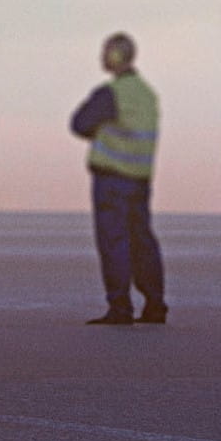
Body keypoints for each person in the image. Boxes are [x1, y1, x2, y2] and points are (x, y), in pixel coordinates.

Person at [67, 31, 165, 325]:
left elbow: (79, 123)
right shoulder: (148, 94)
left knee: (114, 241)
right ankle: (155, 304)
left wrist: (100, 131)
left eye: (105, 52)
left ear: (115, 57)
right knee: (142, 241)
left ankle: (120, 306)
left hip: (112, 178)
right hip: (140, 178)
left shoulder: (112, 93)